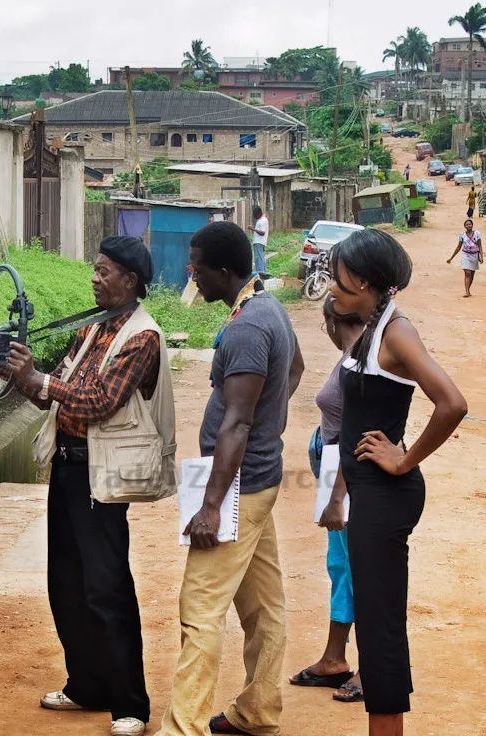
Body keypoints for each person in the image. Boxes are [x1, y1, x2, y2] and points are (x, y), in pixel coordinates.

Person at [3, 236, 176, 736]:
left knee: (107, 588)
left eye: (104, 271)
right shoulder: (93, 327)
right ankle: (86, 685)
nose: (95, 279)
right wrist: (19, 376)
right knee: (67, 584)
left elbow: (98, 402)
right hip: (69, 466)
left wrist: (38, 379)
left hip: (102, 475)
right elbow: (55, 395)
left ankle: (129, 704)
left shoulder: (142, 336)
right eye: (95, 270)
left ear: (131, 280)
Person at [156, 221, 304, 736]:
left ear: (223, 270)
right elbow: (295, 369)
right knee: (264, 605)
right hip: (257, 480)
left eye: (197, 265)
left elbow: (237, 423)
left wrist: (212, 505)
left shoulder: (246, 329)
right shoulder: (268, 307)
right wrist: (269, 419)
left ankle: (183, 728)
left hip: (238, 488)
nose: (191, 272)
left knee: (200, 608)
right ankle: (258, 711)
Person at [321, 230, 466, 736]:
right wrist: (340, 491)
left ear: (364, 281)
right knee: (375, 620)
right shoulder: (371, 326)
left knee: (379, 627)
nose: (330, 287)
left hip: (387, 496)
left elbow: (453, 403)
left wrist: (404, 461)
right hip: (368, 493)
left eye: (337, 276)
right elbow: (354, 420)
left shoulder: (397, 331)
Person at [289, 296, 365, 704]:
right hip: (336, 472)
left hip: (348, 477)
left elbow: (357, 433)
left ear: (333, 322)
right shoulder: (352, 357)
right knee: (341, 566)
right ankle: (335, 658)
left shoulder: (363, 361)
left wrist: (338, 495)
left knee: (362, 570)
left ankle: (372, 666)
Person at [447, 218, 483, 297]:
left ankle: (468, 289)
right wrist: (451, 258)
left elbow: (480, 245)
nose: (468, 226)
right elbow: (458, 247)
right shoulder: (462, 235)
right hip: (465, 255)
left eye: (470, 224)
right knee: (467, 273)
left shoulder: (477, 233)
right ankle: (467, 292)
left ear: (472, 225)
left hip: (474, 255)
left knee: (472, 275)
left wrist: (481, 256)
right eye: (466, 225)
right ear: (464, 226)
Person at [249, 206, 269, 278]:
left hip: (259, 242)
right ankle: (263, 272)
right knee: (261, 257)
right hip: (259, 241)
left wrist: (252, 229)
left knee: (258, 258)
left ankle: (261, 272)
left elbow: (262, 232)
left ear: (259, 213)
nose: (254, 216)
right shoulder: (262, 219)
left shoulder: (262, 221)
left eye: (255, 214)